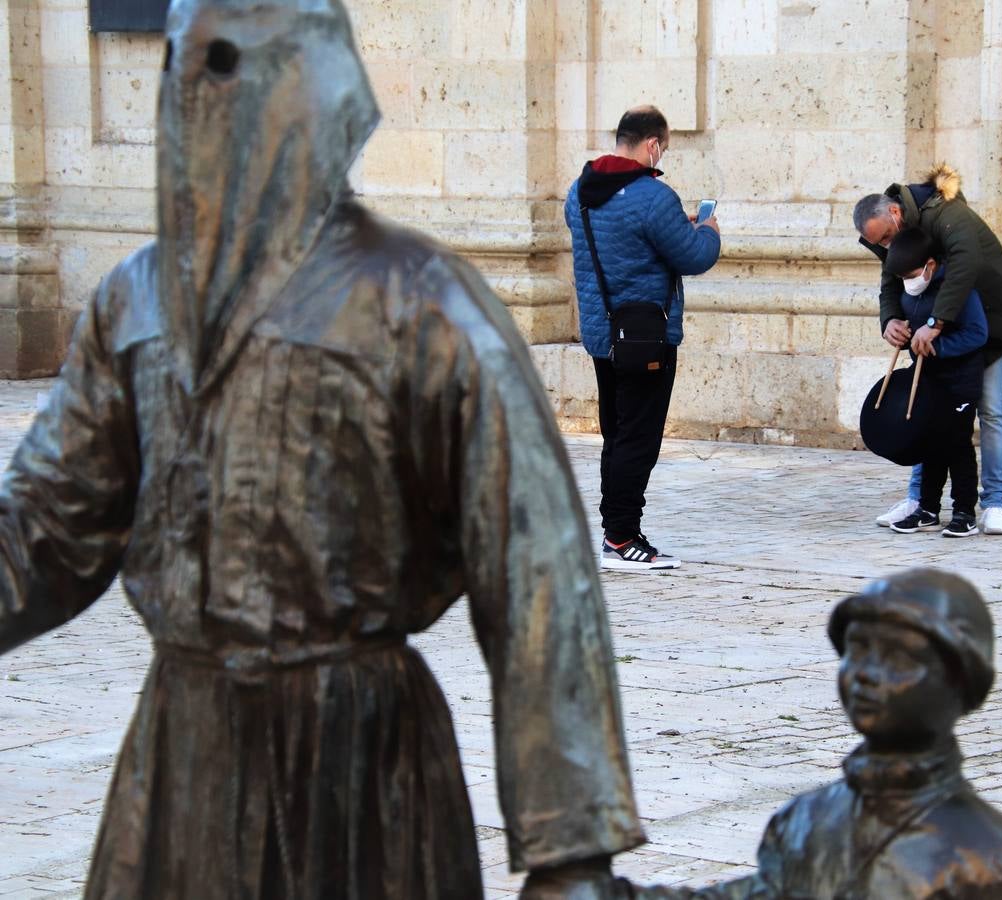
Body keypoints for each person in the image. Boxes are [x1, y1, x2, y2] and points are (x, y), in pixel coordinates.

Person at [0, 1, 644, 896]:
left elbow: (536, 571)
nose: (203, 94)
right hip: (182, 756)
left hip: (361, 761)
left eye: (231, 65)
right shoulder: (133, 301)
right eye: (187, 65)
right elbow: (47, 525)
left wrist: (570, 853)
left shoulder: (425, 301)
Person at [622, 568, 1002, 899]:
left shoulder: (992, 859)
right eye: (858, 650)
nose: (865, 673)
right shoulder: (805, 819)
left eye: (900, 657)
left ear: (961, 683)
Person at [565, 106, 721, 571]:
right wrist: (708, 231)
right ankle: (621, 537)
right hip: (645, 337)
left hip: (603, 334)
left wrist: (674, 225)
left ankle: (615, 531)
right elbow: (694, 257)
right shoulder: (654, 196)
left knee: (617, 433)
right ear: (652, 144)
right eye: (664, 148)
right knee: (638, 438)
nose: (662, 156)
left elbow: (624, 241)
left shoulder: (580, 191)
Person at [854, 165, 1002, 535]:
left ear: (895, 212)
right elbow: (891, 278)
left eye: (888, 238)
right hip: (936, 333)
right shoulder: (890, 236)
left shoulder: (947, 212)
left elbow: (965, 265)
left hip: (992, 320)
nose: (887, 247)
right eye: (880, 244)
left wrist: (936, 322)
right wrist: (890, 319)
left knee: (992, 409)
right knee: (925, 410)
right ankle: (919, 502)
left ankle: (996, 503)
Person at [884, 230, 987, 539]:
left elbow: (977, 333)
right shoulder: (910, 292)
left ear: (930, 265)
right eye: (902, 278)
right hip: (929, 379)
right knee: (929, 442)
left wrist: (938, 346)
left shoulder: (957, 290)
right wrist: (901, 332)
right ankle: (928, 509)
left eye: (911, 275)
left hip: (961, 379)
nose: (908, 282)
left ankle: (964, 513)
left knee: (957, 445)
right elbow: (910, 323)